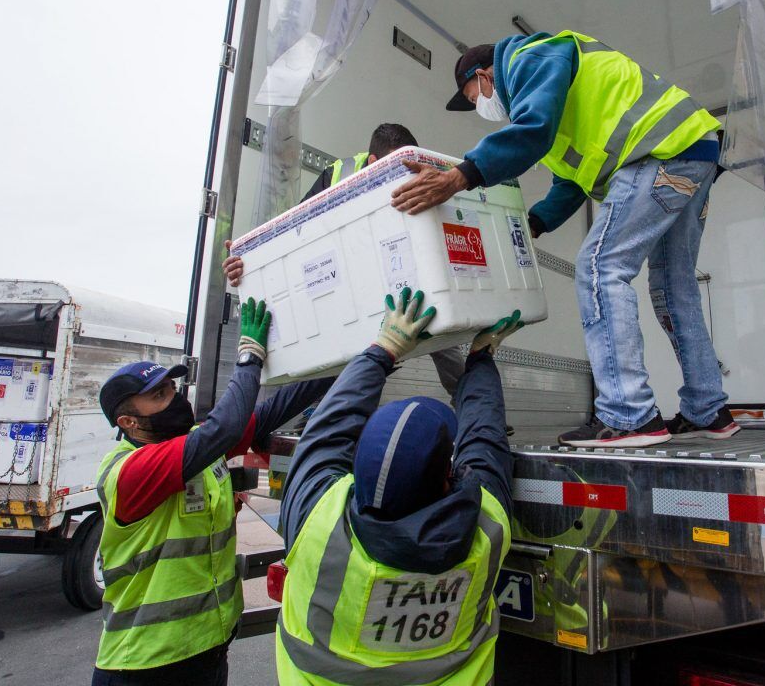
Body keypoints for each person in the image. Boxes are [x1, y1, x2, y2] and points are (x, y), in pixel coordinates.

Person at [390, 30, 740, 449]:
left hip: (658, 151)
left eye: (471, 97)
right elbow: (570, 184)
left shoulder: (530, 58)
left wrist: (459, 177)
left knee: (600, 269)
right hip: (691, 151)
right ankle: (708, 409)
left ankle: (628, 415)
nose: (477, 106)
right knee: (674, 287)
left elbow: (531, 131)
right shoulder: (549, 104)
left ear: (484, 76)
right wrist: (533, 224)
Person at [275, 288, 522, 685]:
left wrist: (383, 349)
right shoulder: (485, 526)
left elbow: (323, 434)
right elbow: (484, 434)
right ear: (447, 477)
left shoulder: (318, 527)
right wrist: (480, 360)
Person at [90, 299, 332, 686]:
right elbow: (227, 425)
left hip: (208, 649)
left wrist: (361, 357)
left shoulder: (194, 444)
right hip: (144, 665)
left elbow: (274, 409)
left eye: (172, 387)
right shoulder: (130, 471)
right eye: (159, 396)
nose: (175, 397)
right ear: (128, 421)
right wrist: (249, 357)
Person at [223, 121, 469, 405]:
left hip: (399, 263)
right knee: (346, 343)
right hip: (351, 273)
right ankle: (326, 413)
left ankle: (466, 400)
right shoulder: (339, 175)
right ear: (375, 161)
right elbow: (292, 232)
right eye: (396, 164)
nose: (404, 173)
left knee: (433, 320)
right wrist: (249, 260)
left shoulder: (417, 168)